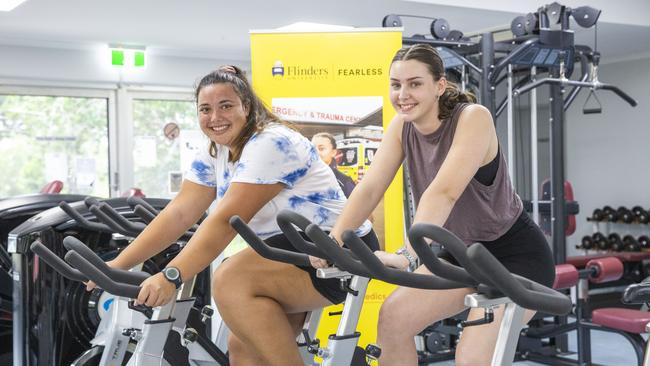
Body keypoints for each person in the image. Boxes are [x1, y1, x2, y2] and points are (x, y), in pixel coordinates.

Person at [93, 66, 377, 365]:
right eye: (205, 109)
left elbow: (226, 219)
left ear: (247, 107)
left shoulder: (270, 143)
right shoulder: (217, 150)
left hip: (337, 251)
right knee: (242, 349)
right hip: (288, 250)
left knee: (230, 279)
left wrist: (171, 276)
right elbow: (179, 213)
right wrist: (117, 264)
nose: (215, 118)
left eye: (225, 106)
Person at [323, 44, 555, 366]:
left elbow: (443, 192)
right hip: (459, 254)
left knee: (473, 357)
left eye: (415, 83)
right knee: (393, 319)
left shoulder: (473, 118)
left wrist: (408, 255)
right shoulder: (401, 127)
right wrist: (331, 242)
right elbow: (370, 188)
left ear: (439, 85)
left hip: (513, 257)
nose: (402, 94)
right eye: (396, 84)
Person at [311, 132, 356, 197]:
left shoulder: (344, 181)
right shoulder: (300, 177)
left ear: (333, 152)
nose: (316, 152)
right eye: (313, 148)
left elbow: (356, 204)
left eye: (321, 148)